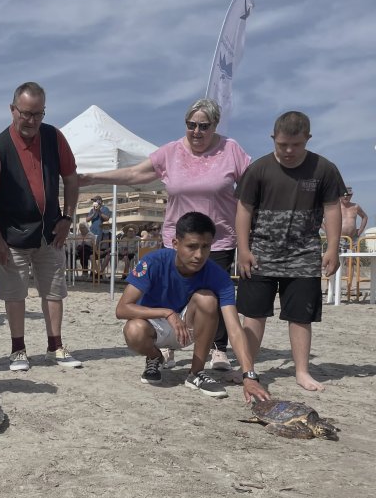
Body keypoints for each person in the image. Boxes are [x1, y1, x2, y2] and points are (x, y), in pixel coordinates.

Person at [80, 98, 250, 371]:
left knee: (211, 298)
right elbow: (135, 173)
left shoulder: (231, 150)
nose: (196, 131)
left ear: (215, 125)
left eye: (204, 126)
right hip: (177, 236)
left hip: (216, 239)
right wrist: (92, 178)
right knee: (172, 291)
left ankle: (217, 349)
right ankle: (167, 345)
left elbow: (253, 186)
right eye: (191, 125)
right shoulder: (171, 152)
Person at [236, 111, 346, 392]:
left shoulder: (324, 169)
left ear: (307, 139)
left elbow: (333, 208)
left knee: (300, 316)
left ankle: (302, 371)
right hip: (260, 253)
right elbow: (243, 210)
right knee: (254, 314)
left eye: (295, 145)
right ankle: (247, 368)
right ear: (273, 139)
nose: (288, 150)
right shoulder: (258, 169)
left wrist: (332, 247)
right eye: (282, 144)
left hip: (304, 254)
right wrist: (244, 249)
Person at [0, 81, 81, 371]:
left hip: (50, 231)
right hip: (12, 234)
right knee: (14, 292)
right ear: (13, 110)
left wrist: (67, 218)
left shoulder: (54, 137)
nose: (31, 120)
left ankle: (55, 345)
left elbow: (72, 179)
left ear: (43, 113)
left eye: (37, 114)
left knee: (54, 288)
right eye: (25, 113)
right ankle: (18, 349)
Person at [116, 212, 270, 402]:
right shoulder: (154, 261)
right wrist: (167, 313)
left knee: (207, 299)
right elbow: (122, 309)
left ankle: (196, 373)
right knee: (133, 329)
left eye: (205, 247)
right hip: (153, 328)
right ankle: (155, 357)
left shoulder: (218, 276)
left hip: (187, 328)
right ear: (175, 243)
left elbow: (235, 329)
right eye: (191, 246)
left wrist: (249, 375)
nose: (199, 255)